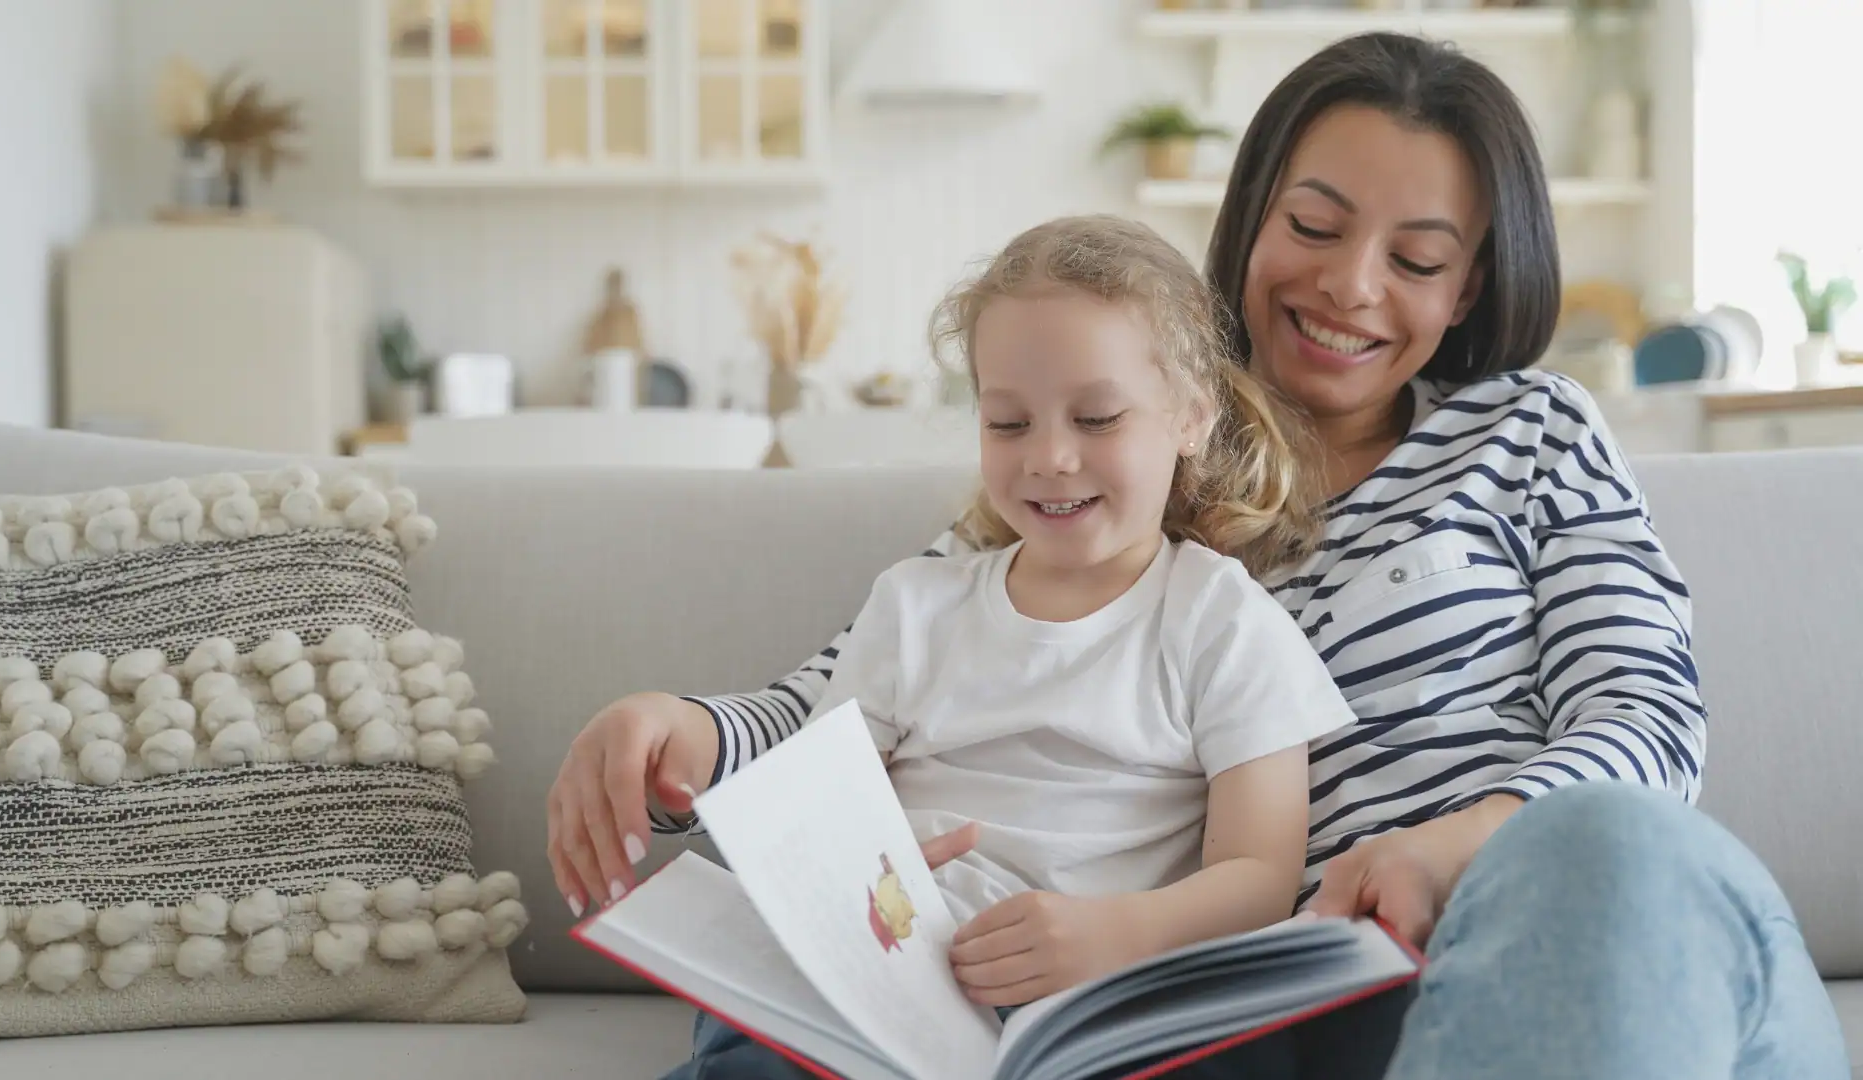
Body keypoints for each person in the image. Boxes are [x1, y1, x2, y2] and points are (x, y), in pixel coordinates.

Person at [550, 31, 1851, 1080]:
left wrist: (1459, 847)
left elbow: (1648, 719)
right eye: (1318, 223)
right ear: (1252, 216)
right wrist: (687, 729)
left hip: (1595, 941)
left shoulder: (1531, 431)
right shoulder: (1117, 461)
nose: (1351, 286)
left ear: (1465, 292)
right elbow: (861, 686)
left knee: (1606, 851)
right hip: (1332, 1009)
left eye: (1416, 259)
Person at [661, 213, 1362, 1078]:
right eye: (1008, 423)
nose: (1051, 458)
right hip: (901, 972)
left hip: (1103, 987)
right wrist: (858, 874)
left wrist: (1116, 937)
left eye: (1097, 418)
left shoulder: (1220, 619)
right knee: (750, 1032)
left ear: (1189, 418)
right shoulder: (916, 606)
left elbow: (1259, 875)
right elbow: (824, 815)